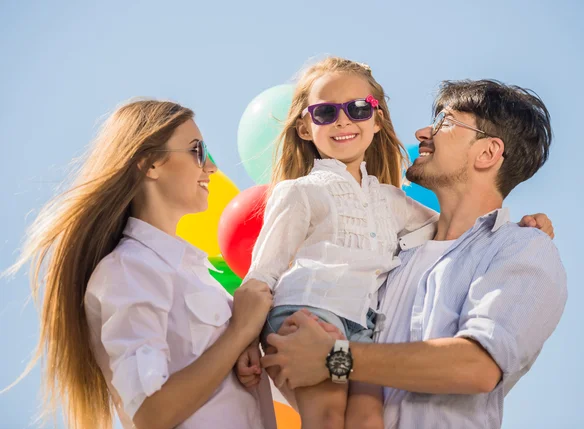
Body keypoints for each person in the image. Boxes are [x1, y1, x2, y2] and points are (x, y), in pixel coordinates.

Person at [235, 57, 556, 429]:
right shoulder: (398, 249)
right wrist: (245, 340)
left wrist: (335, 357)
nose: (423, 132)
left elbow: (478, 367)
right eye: (324, 112)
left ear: (488, 153)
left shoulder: (517, 248)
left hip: (354, 335)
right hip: (315, 317)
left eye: (446, 124)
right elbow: (266, 279)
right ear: (306, 128)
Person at [5, 100, 275, 429]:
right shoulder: (128, 270)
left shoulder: (192, 273)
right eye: (197, 150)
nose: (211, 168)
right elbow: (151, 413)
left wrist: (243, 343)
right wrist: (238, 332)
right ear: (149, 164)